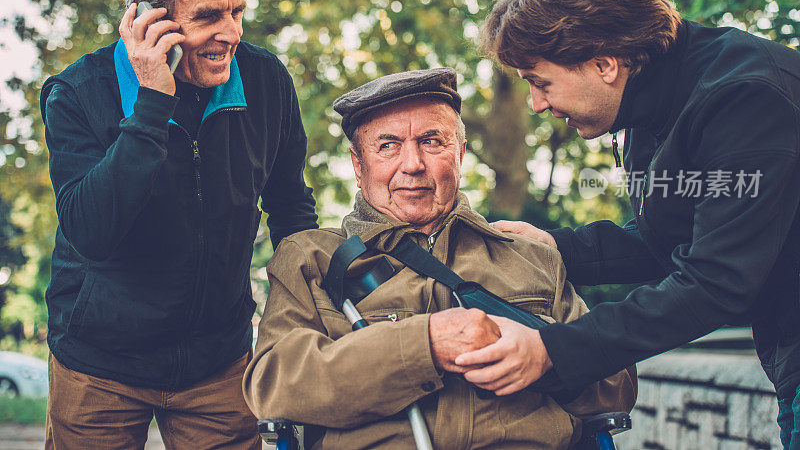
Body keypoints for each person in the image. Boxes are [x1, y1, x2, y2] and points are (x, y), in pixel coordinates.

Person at [463, 0, 800, 447]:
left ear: (604, 64)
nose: (535, 105)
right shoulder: (650, 105)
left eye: (540, 82)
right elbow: (664, 239)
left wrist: (552, 350)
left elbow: (715, 281)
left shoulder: (745, 98)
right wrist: (557, 250)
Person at [242, 68, 636, 449]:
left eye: (432, 141)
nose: (412, 164)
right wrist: (423, 345)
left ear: (460, 155)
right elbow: (273, 385)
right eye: (387, 146)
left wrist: (544, 353)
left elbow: (615, 389)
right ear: (358, 167)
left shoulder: (531, 257)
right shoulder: (310, 257)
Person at [40, 0, 317, 448]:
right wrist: (151, 105)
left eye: (237, 11)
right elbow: (91, 230)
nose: (232, 32)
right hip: (99, 369)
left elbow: (290, 208)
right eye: (209, 17)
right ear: (150, 24)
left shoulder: (265, 81)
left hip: (219, 363)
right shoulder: (77, 94)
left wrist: (305, 311)